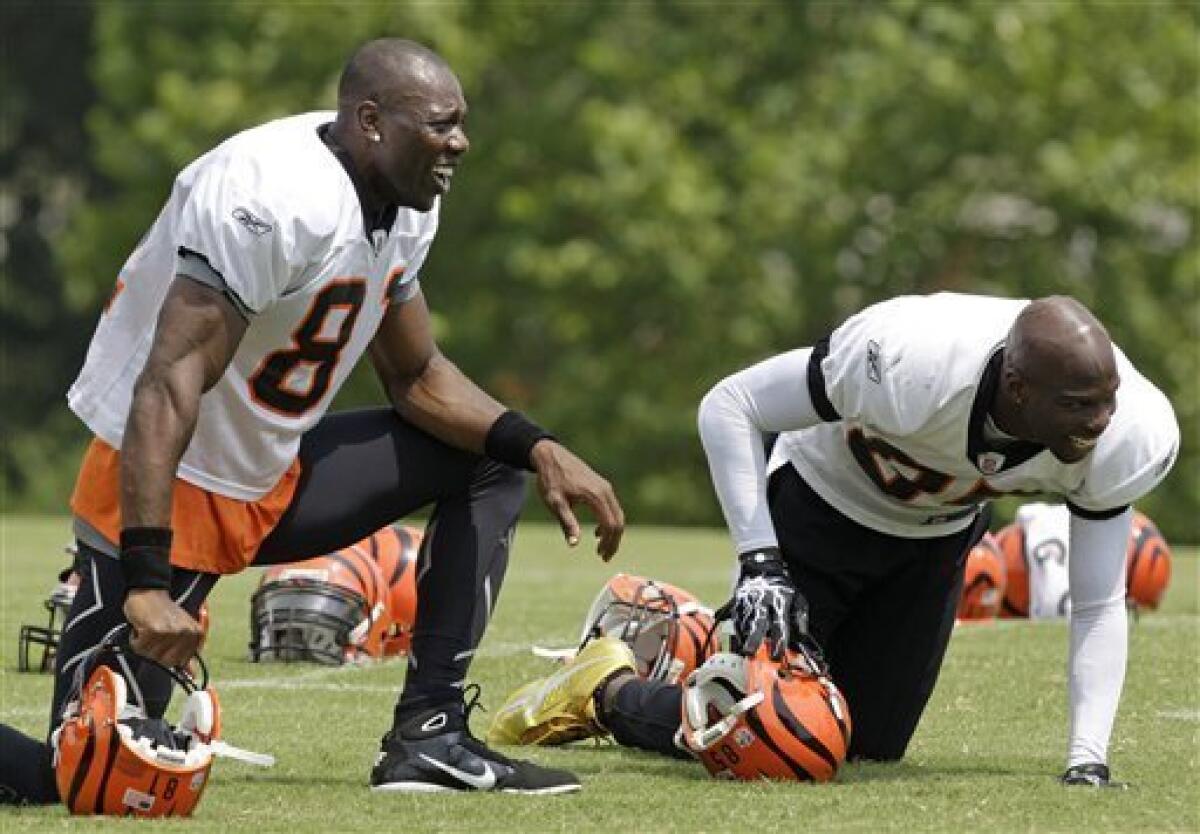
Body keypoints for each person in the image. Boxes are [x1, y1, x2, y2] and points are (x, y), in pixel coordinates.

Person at [0, 37, 624, 803]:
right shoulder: (268, 194)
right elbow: (168, 385)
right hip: (169, 482)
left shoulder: (402, 200)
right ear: (371, 122)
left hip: (274, 470)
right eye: (441, 124)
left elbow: (418, 375)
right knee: (90, 772)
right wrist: (147, 579)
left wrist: (541, 444)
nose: (460, 141)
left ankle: (428, 737)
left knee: (491, 457)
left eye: (460, 122)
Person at [488, 292, 1179, 788]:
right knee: (784, 739)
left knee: (867, 749)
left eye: (1108, 399)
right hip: (820, 512)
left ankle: (689, 642)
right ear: (1018, 389)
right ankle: (604, 689)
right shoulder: (910, 357)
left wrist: (1087, 757)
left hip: (933, 545)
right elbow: (730, 404)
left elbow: (1096, 603)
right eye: (1079, 406)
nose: (1101, 420)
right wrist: (761, 563)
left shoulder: (1130, 430)